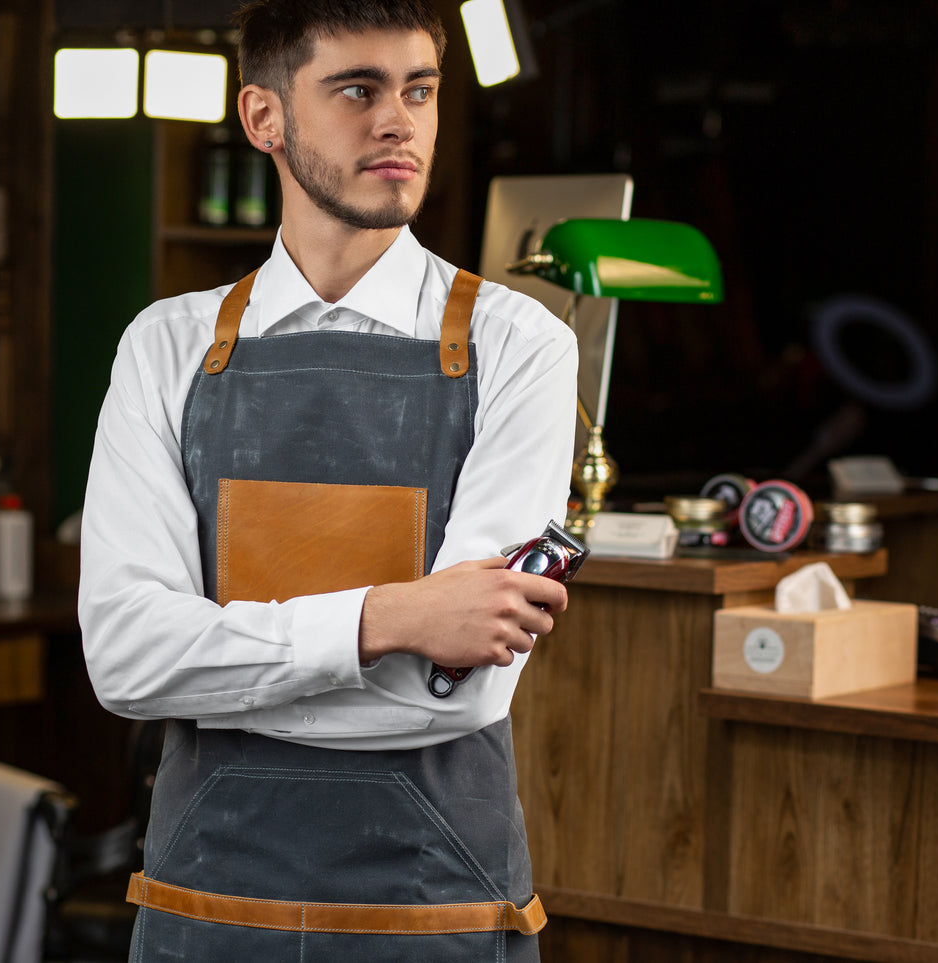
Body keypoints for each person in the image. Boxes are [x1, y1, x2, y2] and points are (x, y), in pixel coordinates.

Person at [78, 0, 578, 958]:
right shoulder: (165, 347)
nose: (398, 121)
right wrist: (390, 620)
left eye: (419, 91)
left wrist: (216, 664)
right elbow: (127, 661)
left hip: (433, 907)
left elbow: (463, 690)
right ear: (263, 117)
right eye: (358, 89)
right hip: (205, 906)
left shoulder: (521, 347)